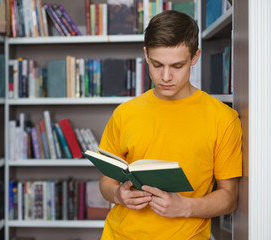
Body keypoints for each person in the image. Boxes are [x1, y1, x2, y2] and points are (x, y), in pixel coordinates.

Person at [98, 10, 242, 239]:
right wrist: (117, 194)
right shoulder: (124, 113)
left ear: (195, 57)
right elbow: (106, 180)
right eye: (157, 65)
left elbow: (229, 197)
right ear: (146, 55)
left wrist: (184, 207)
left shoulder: (223, 118)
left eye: (177, 66)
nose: (165, 77)